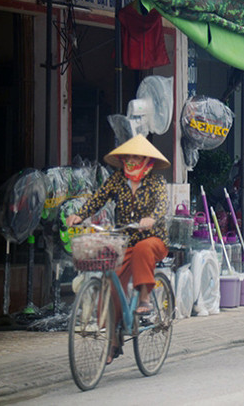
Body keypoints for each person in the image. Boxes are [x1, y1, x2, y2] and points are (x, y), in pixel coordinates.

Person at [66, 134, 170, 364]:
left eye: (136, 156)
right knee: (110, 282)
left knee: (143, 248)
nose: (131, 160)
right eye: (128, 157)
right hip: (124, 242)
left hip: (154, 240)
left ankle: (144, 297)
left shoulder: (156, 182)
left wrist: (151, 218)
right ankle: (113, 340)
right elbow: (98, 199)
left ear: (146, 160)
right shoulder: (116, 180)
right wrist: (79, 215)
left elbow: (163, 205)